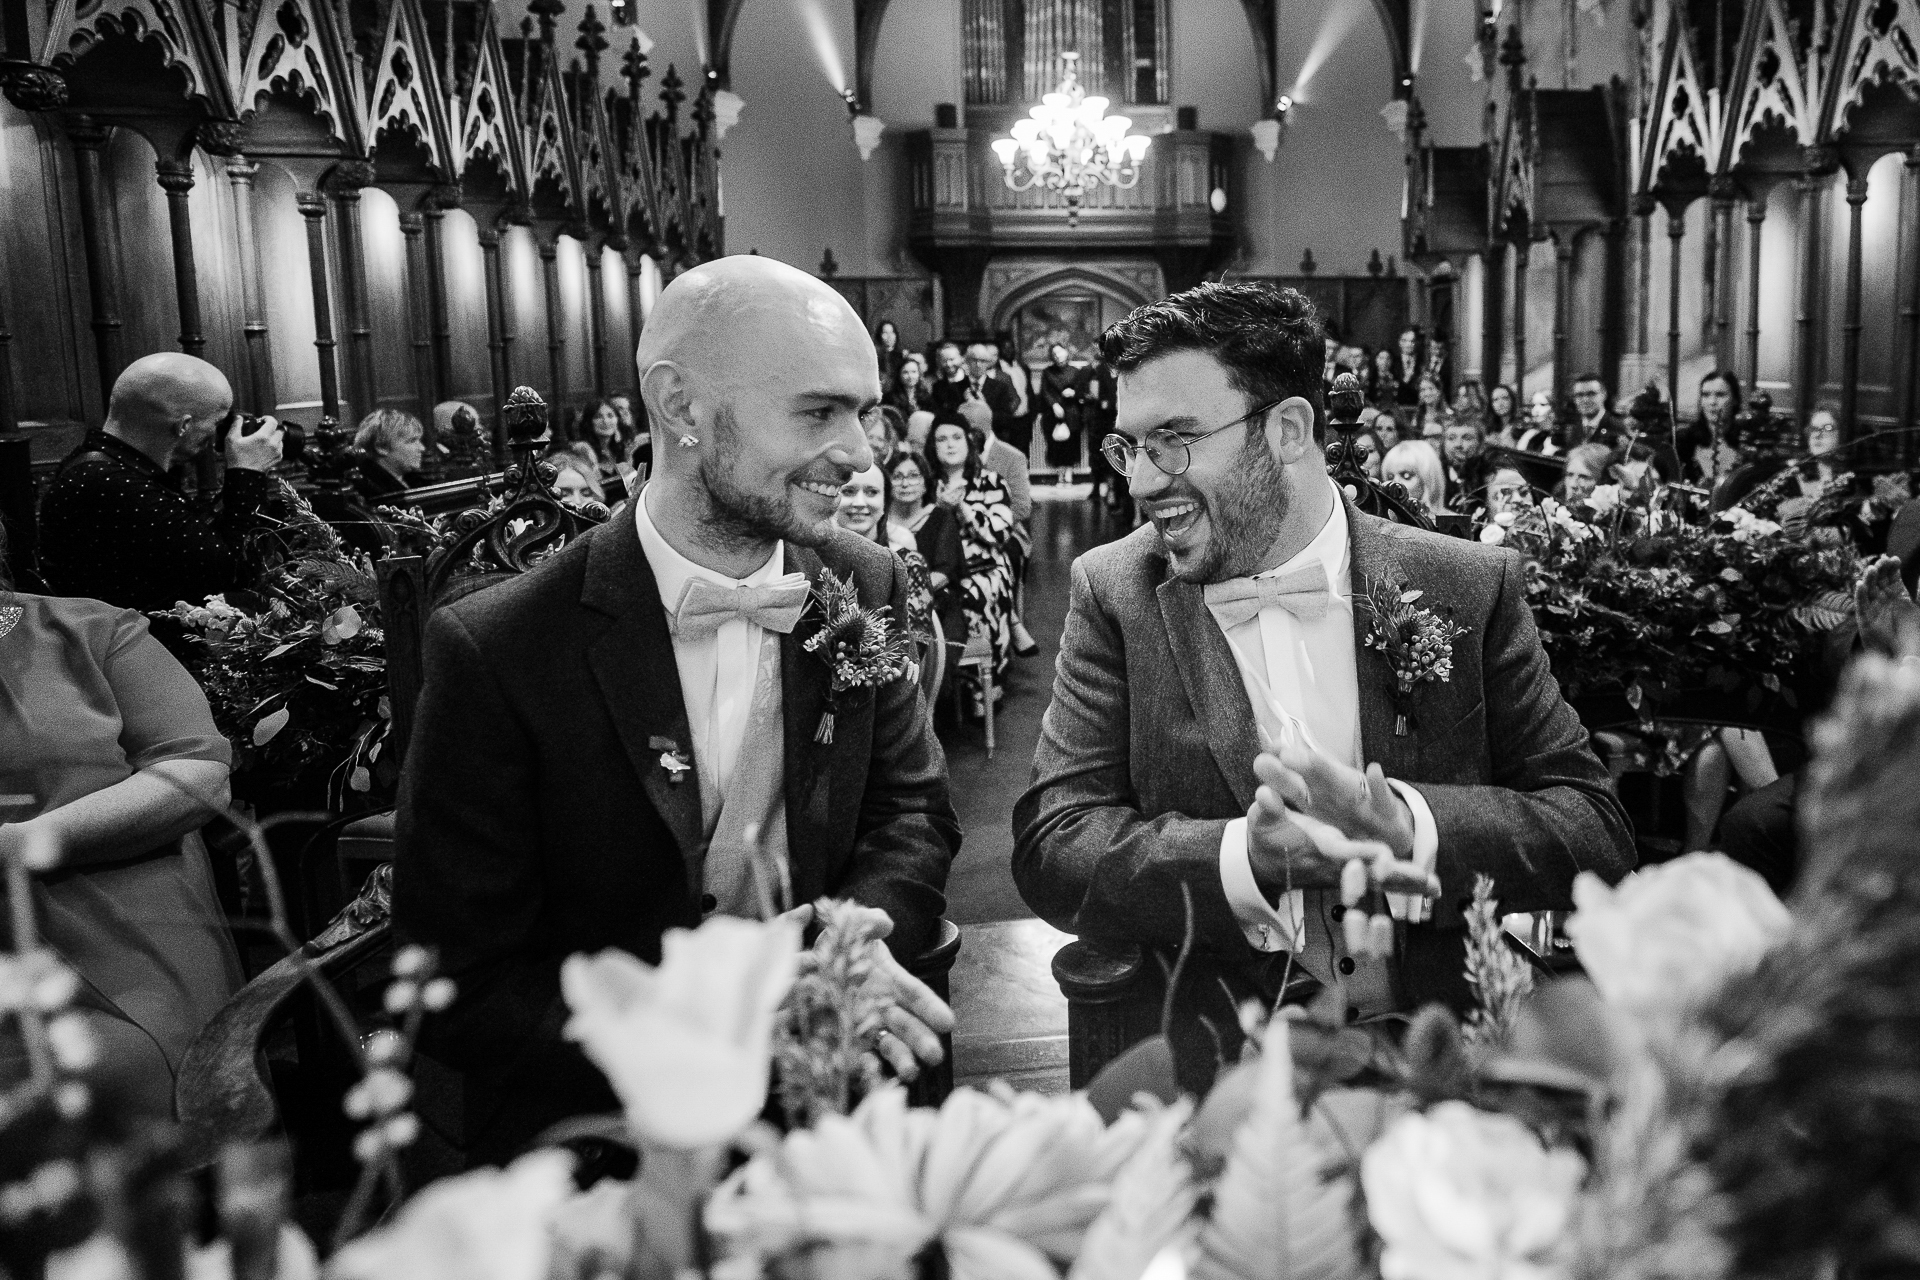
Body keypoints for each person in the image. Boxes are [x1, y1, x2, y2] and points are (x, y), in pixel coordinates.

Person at [394, 255, 960, 1164]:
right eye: (819, 412)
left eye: (865, 412)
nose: (863, 453)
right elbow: (461, 981)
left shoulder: (867, 582)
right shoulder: (497, 650)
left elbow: (911, 810)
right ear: (681, 408)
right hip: (609, 1133)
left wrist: (849, 950)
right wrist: (706, 1030)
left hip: (843, 1098)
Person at [1012, 282, 1631, 1089]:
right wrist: (1241, 856)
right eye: (1128, 446)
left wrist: (1409, 827)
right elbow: (1055, 845)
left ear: (1289, 430)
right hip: (1220, 1065)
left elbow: (1594, 829)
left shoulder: (1466, 585)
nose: (1139, 481)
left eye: (1172, 439)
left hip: (1450, 1060)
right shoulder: (1115, 593)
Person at [0, 520, 242, 1121]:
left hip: (115, 916)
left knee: (94, 1078)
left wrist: (22, 843)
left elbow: (197, 773)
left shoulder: (91, 630)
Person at [38, 353, 286, 659]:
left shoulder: (108, 468)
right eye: (218, 422)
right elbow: (235, 571)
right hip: (134, 667)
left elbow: (200, 548)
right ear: (183, 425)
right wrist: (247, 473)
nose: (217, 436)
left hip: (138, 652)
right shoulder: (110, 483)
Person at [924, 413, 1016, 699]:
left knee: (977, 591)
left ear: (968, 443)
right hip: (939, 566)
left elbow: (998, 535)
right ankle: (934, 680)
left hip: (984, 565)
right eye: (941, 439)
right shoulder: (925, 483)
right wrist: (938, 509)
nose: (950, 445)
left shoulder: (990, 482)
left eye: (956, 437)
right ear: (932, 447)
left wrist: (961, 506)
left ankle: (985, 681)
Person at [954, 398, 1037, 657]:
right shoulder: (951, 457)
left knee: (1005, 555)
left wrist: (990, 522)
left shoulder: (1011, 457)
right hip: (959, 529)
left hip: (1006, 532)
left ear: (977, 429)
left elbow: (1022, 507)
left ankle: (1006, 626)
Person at [887, 450, 968, 668]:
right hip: (883, 602)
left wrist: (909, 595)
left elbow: (945, 571)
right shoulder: (878, 518)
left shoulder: (940, 517)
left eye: (913, 476)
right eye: (897, 476)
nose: (905, 483)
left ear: (925, 483)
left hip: (935, 602)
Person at [1678, 369, 1743, 487]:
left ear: (1735, 400)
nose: (1712, 402)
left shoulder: (1746, 439)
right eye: (1706, 395)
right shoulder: (1683, 440)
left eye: (1720, 395)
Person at [1037, 343, 1088, 481]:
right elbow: (1045, 392)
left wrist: (1074, 393)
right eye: (1054, 354)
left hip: (1072, 413)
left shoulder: (1075, 371)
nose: (1058, 356)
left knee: (1071, 445)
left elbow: (1082, 391)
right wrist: (1054, 405)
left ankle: (1069, 475)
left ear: (1066, 352)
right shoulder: (1047, 372)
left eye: (1060, 352)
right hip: (1053, 415)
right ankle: (1060, 476)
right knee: (1056, 446)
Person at [835, 463, 913, 554]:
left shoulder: (902, 555)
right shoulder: (816, 557)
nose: (860, 503)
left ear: (885, 501)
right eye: (848, 491)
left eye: (872, 492)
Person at [352, 408, 427, 502]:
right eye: (412, 441)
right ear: (381, 447)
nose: (422, 448)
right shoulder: (369, 490)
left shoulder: (414, 479)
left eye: (419, 440)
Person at [992, 331, 1035, 456]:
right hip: (1007, 421)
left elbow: (1029, 391)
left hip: (1024, 419)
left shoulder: (1022, 367)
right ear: (1000, 350)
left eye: (1011, 347)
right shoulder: (997, 371)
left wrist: (1032, 413)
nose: (1009, 351)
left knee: (1024, 454)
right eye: (1005, 348)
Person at [1382, 439, 1449, 519]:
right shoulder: (1382, 524)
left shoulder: (1452, 523)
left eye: (1406, 476)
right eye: (1390, 477)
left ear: (1427, 479)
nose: (1395, 483)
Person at [1440, 417, 1489, 511]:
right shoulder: (1435, 476)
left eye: (1467, 438)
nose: (1458, 444)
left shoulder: (1491, 477)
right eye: (1451, 438)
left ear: (1481, 445)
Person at [868, 405, 905, 470]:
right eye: (870, 437)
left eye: (880, 439)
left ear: (887, 443)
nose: (874, 443)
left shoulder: (898, 465)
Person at [874, 319, 907, 391]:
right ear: (880, 335)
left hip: (899, 391)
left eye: (892, 332)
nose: (889, 336)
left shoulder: (903, 355)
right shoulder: (875, 356)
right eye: (885, 333)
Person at [1415, 372, 1452, 437]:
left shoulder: (1448, 414)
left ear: (1439, 391)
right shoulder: (1417, 416)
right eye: (1423, 390)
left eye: (1431, 389)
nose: (1427, 393)